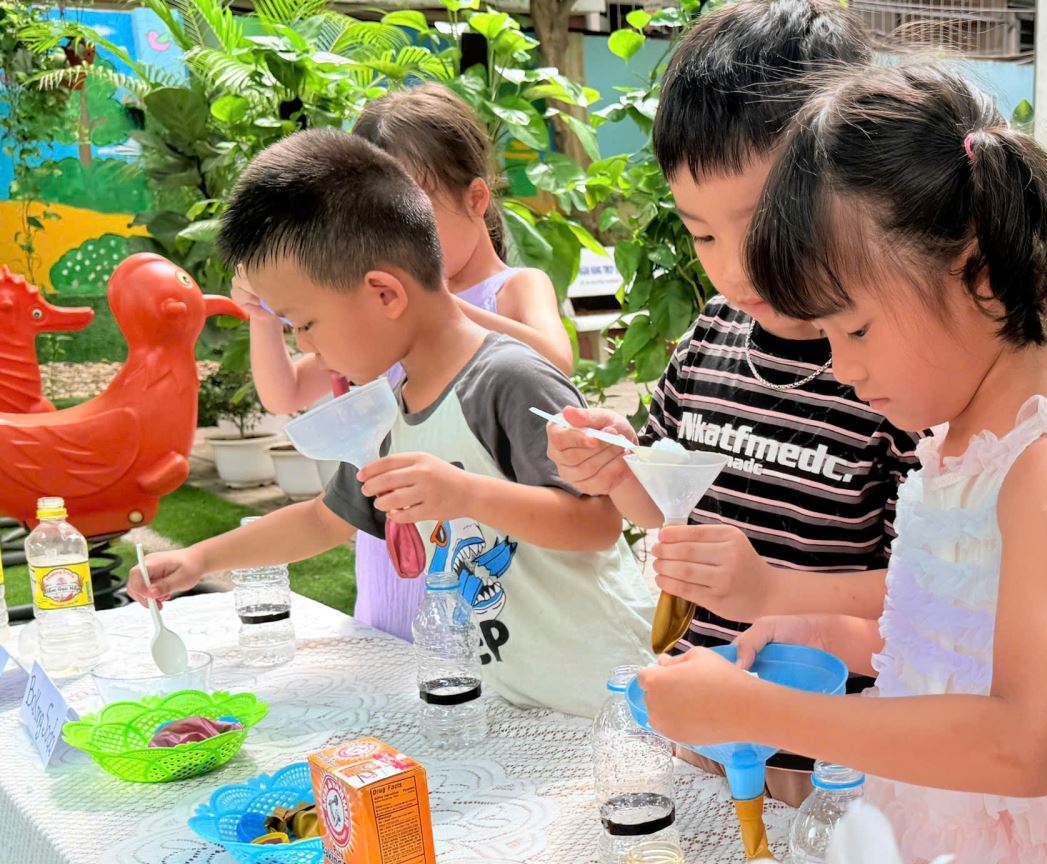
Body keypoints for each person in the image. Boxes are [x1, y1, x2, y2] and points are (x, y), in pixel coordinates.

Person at [636, 63, 1047, 864]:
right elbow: (957, 636)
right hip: (989, 861)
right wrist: (824, 632)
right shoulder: (954, 443)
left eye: (856, 330)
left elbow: (1025, 743)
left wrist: (761, 711)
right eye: (826, 335)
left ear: (979, 274)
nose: (842, 368)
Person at [133, 129, 652, 719]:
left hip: (611, 698)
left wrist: (466, 495)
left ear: (384, 294)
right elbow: (323, 520)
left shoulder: (508, 378)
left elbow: (597, 523)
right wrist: (200, 560)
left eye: (306, 325)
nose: (307, 347)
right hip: (520, 703)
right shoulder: (391, 411)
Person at [545, 0, 920, 801]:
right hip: (704, 729)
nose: (733, 269)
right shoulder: (713, 334)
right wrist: (617, 471)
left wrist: (772, 590)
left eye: (758, 226)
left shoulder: (896, 376)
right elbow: (668, 509)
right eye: (703, 234)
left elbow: (928, 594)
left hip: (831, 762)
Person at [232, 82, 572, 640]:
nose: (389, 235)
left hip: (476, 565)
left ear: (476, 199)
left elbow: (555, 360)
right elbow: (284, 393)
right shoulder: (376, 315)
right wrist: (267, 314)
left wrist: (435, 303)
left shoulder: (512, 287)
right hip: (387, 560)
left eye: (411, 212)